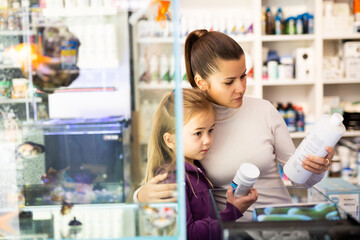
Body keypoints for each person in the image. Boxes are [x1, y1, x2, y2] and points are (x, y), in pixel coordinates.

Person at [134, 29, 335, 221]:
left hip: (280, 222)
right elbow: (168, 172)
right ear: (201, 82)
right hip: (229, 229)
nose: (240, 88)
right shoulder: (192, 127)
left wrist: (316, 169)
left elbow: (300, 180)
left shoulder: (264, 111)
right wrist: (140, 196)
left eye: (243, 76)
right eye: (229, 82)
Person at [144, 88, 258, 239]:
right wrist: (232, 212)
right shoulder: (170, 180)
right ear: (170, 140)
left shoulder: (195, 168)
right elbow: (187, 234)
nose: (208, 141)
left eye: (210, 130)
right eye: (198, 133)